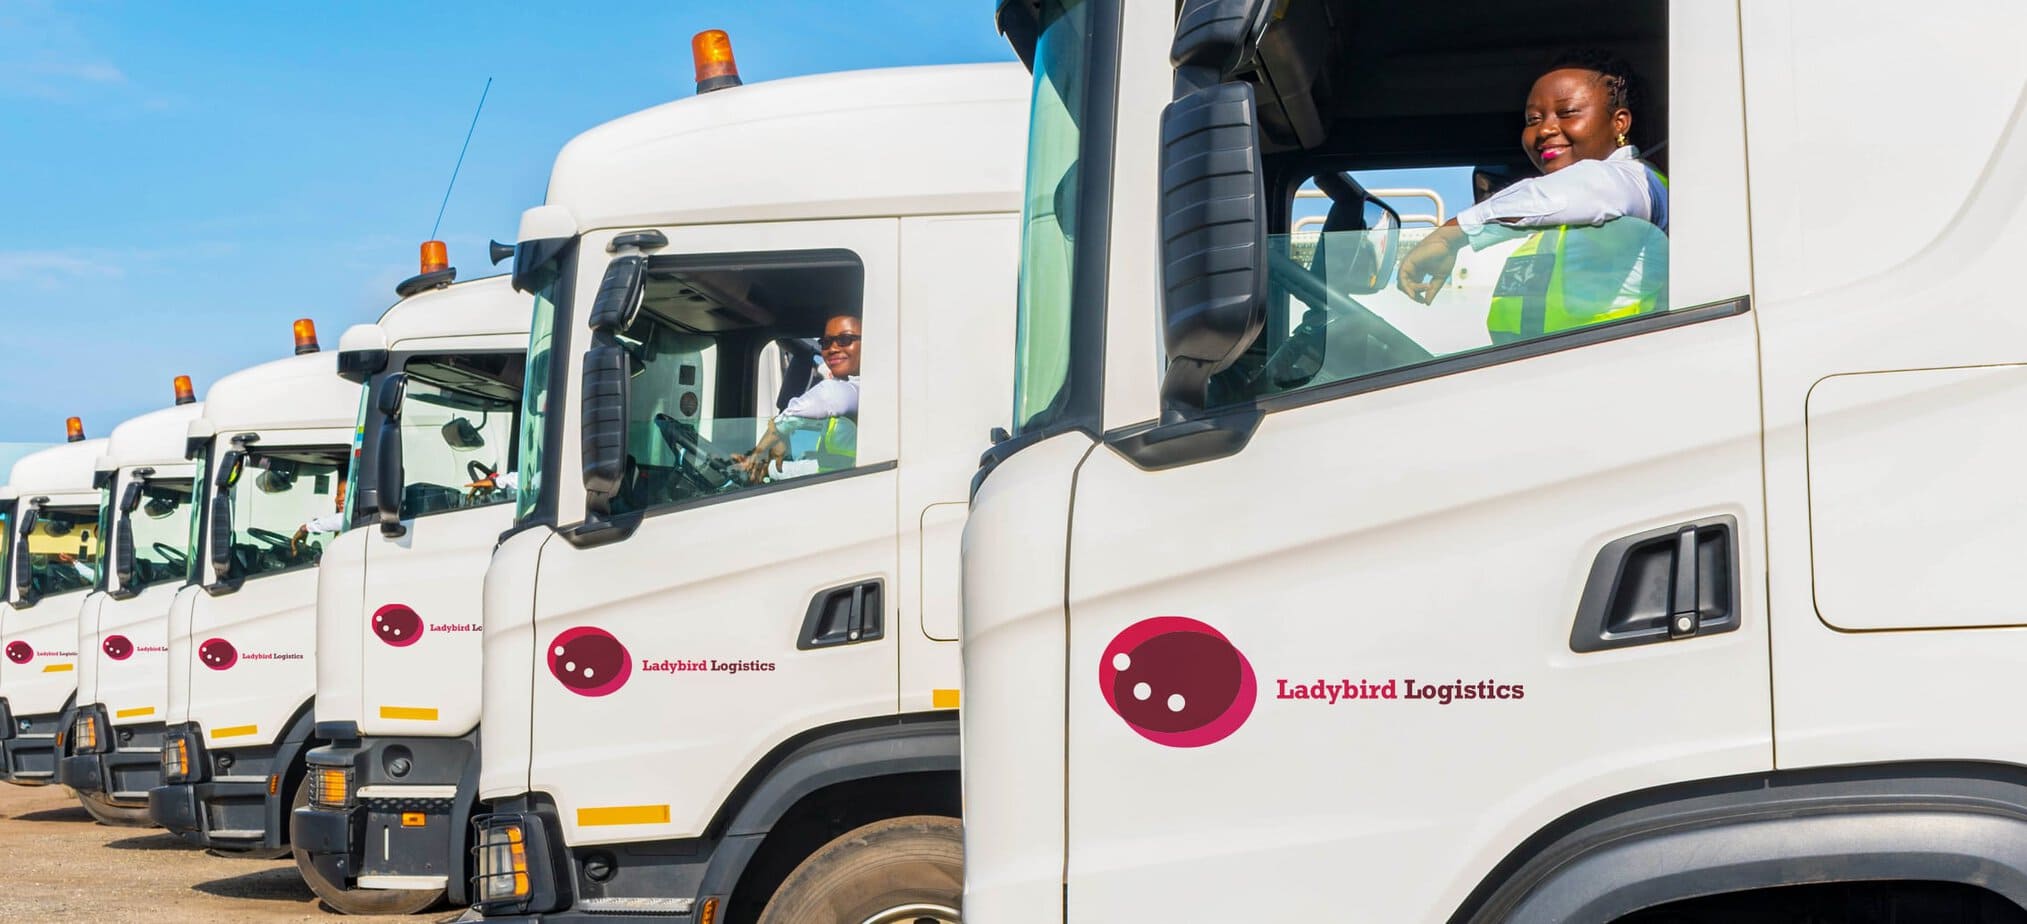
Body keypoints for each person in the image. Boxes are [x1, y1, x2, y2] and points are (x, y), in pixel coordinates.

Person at [1397, 50, 1668, 343]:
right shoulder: (1552, 224)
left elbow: (1588, 187)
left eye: (1567, 113)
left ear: (1619, 123)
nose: (1545, 130)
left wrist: (1452, 233)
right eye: (1533, 119)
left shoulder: (1635, 180)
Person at [734, 314, 861, 484]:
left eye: (845, 339)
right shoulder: (845, 396)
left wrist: (764, 447)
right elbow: (826, 467)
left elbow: (828, 394)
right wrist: (769, 469)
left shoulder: (864, 389)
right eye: (826, 342)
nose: (832, 349)